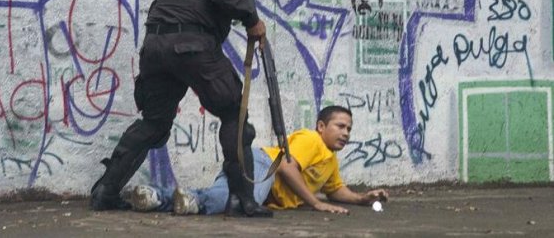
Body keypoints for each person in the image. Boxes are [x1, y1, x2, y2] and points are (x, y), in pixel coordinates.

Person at [90, 0, 271, 217]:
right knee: (233, 114)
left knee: (154, 122)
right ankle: (243, 200)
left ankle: (105, 191)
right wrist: (253, 22)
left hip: (156, 47)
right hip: (192, 45)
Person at [126, 106, 389, 215]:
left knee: (222, 199)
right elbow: (286, 165)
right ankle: (172, 197)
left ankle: (154, 197)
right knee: (223, 202)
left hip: (263, 182)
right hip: (263, 165)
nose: (345, 133)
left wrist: (362, 198)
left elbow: (336, 190)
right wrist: (315, 204)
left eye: (349, 129)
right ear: (321, 126)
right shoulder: (312, 141)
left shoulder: (330, 160)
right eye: (340, 126)